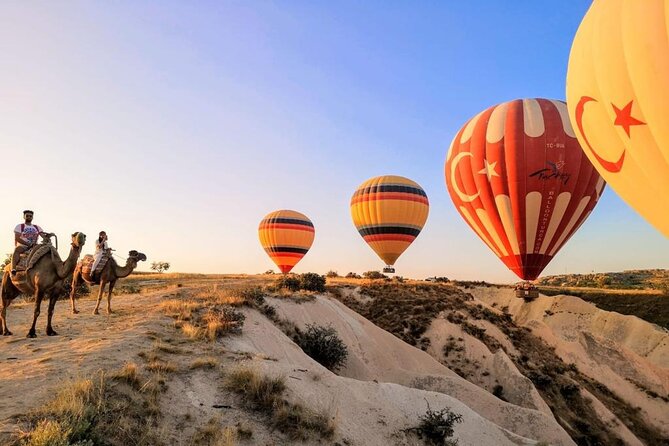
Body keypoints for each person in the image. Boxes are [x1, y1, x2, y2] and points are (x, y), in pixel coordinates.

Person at [11, 210, 51, 275]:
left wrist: (48, 236)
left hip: (34, 245)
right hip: (23, 245)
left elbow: (43, 236)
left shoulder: (37, 227)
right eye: (27, 216)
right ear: (24, 217)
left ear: (32, 217)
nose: (29, 217)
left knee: (47, 251)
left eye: (30, 216)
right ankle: (13, 268)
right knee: (17, 250)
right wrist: (28, 244)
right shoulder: (20, 226)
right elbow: (17, 238)